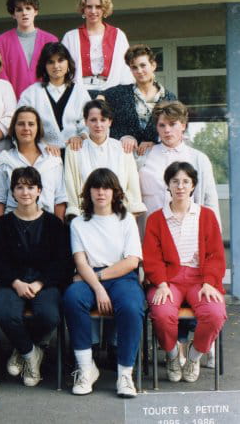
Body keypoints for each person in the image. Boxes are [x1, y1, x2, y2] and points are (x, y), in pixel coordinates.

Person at [62, 168, 145, 398]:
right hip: (89, 276)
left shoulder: (126, 220)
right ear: (88, 192)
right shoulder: (78, 223)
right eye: (96, 187)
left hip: (122, 276)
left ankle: (125, 375)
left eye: (106, 188)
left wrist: (99, 279)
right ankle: (86, 368)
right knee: (72, 298)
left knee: (131, 307)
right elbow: (80, 262)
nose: (101, 192)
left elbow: (131, 261)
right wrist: (98, 288)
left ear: (115, 192)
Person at [143, 161, 227, 383]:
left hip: (201, 278)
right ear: (168, 185)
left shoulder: (206, 216)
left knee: (215, 313)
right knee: (162, 313)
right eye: (175, 181)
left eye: (185, 181)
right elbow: (152, 257)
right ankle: (172, 355)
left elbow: (216, 255)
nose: (180, 186)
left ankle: (193, 356)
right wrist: (161, 283)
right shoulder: (156, 219)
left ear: (193, 185)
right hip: (168, 280)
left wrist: (209, 282)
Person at [0, 167, 72, 387]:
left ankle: (22, 349)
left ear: (39, 191)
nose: (25, 192)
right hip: (11, 282)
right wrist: (16, 282)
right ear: (12, 192)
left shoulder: (54, 224)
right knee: (5, 313)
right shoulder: (2, 224)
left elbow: (62, 262)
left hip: (44, 283)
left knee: (49, 315)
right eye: (19, 187)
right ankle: (30, 354)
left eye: (30, 187)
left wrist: (40, 283)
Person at [138, 101, 220, 223]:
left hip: (189, 228)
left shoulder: (199, 159)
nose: (167, 130)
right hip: (150, 229)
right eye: (162, 125)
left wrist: (214, 231)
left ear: (183, 125)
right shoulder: (143, 157)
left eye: (172, 124)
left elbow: (210, 201)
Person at [64, 99, 146, 219]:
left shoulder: (122, 149)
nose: (98, 125)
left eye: (103, 120)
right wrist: (78, 219)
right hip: (85, 218)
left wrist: (128, 219)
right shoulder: (74, 150)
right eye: (93, 120)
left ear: (110, 122)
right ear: (86, 121)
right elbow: (70, 187)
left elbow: (133, 189)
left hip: (119, 217)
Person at [0, 106, 66, 222]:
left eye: (31, 124)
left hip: (47, 224)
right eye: (21, 124)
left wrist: (58, 228)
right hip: (13, 224)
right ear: (14, 127)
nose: (26, 128)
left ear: (38, 128)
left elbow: (60, 199)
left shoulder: (53, 159)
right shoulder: (5, 159)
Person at [101, 44, 177, 155]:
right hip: (125, 157)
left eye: (143, 65)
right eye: (134, 67)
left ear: (153, 65)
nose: (139, 71)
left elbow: (175, 131)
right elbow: (98, 104)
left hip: (157, 157)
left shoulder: (170, 99)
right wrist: (123, 137)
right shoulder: (118, 94)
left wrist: (156, 143)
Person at [17, 42, 90, 151]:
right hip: (42, 152)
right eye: (51, 62)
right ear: (44, 66)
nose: (56, 66)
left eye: (61, 60)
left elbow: (90, 122)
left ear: (68, 62)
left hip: (75, 151)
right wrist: (42, 145)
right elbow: (20, 126)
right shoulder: (31, 93)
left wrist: (81, 137)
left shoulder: (80, 92)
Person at [61, 0, 132, 94]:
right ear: (83, 9)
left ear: (104, 9)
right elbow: (63, 70)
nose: (93, 11)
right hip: (79, 91)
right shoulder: (70, 37)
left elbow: (126, 70)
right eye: (89, 7)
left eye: (98, 7)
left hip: (111, 91)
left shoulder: (118, 35)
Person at [0, 0, 59, 99]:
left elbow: (57, 72)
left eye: (28, 8)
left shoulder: (51, 40)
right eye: (19, 10)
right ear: (13, 14)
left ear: (36, 11)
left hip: (46, 100)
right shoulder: (1, 42)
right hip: (13, 102)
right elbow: (0, 75)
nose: (24, 13)